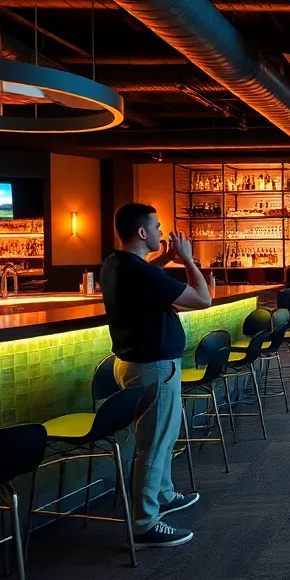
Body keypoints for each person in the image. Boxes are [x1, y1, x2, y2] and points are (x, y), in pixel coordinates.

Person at [101, 204, 213, 548]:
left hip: (136, 362)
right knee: (154, 443)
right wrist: (189, 261)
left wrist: (166, 259)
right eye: (158, 227)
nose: (162, 232)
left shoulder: (116, 264)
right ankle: (145, 522)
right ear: (142, 233)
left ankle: (163, 493)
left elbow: (147, 275)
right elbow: (202, 299)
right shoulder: (140, 274)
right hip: (153, 366)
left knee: (161, 437)